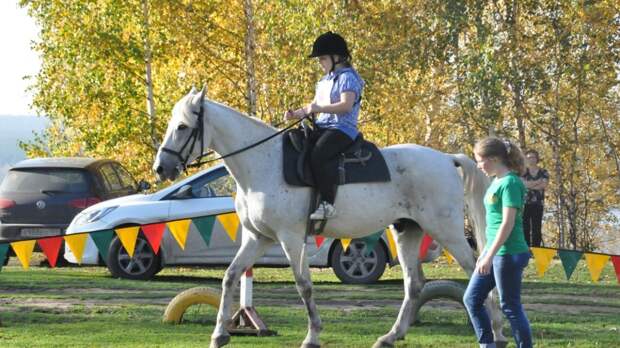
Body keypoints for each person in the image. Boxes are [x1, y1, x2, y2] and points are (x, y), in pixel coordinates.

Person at [285, 31, 365, 220]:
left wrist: (318, 107)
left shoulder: (348, 78)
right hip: (323, 127)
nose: (320, 62)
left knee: (318, 154)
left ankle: (328, 203)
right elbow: (312, 106)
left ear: (336, 57)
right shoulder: (325, 80)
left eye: (322, 58)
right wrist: (295, 114)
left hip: (342, 130)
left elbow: (345, 106)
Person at [463, 137, 533, 348]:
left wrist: (489, 255)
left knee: (510, 306)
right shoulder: (496, 181)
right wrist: (486, 254)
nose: (478, 166)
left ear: (493, 159)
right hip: (495, 252)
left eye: (480, 160)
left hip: (509, 253)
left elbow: (507, 224)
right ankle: (487, 344)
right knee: (471, 299)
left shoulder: (511, 183)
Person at [521, 149, 549, 247]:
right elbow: (523, 184)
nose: (530, 159)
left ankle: (536, 249)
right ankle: (526, 247)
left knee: (536, 227)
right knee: (525, 227)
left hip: (538, 203)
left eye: (532, 157)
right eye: (528, 158)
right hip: (524, 203)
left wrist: (529, 185)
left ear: (537, 158)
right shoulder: (523, 172)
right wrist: (537, 182)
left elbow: (544, 185)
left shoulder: (543, 171)